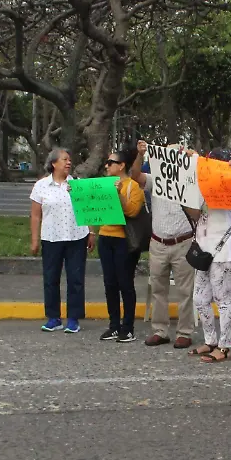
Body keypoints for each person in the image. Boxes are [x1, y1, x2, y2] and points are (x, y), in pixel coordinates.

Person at [129, 140, 197, 349]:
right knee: (158, 289)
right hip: (158, 243)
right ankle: (160, 331)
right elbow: (135, 175)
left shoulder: (190, 181)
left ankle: (184, 332)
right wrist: (140, 155)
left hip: (183, 241)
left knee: (186, 291)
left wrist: (193, 156)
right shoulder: (155, 179)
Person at [187, 148, 231, 363]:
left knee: (222, 301)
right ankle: (210, 340)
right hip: (204, 250)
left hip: (224, 252)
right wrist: (184, 199)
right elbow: (197, 214)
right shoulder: (204, 185)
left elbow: (220, 201)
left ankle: (225, 346)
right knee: (200, 299)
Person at [30, 147, 93, 334]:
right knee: (51, 278)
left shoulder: (77, 184)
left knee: (75, 279)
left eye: (69, 159)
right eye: (64, 159)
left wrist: (91, 232)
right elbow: (35, 215)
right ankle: (53, 317)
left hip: (76, 237)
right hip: (51, 237)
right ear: (53, 163)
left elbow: (87, 209)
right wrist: (34, 239)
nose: (68, 162)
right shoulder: (41, 186)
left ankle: (73, 319)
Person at [97, 150, 146, 343]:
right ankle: (114, 326)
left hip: (124, 241)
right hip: (105, 237)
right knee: (110, 284)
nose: (107, 166)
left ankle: (128, 327)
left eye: (111, 162)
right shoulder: (103, 184)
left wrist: (119, 195)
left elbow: (133, 211)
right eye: (106, 162)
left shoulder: (133, 187)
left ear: (122, 165)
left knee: (125, 283)